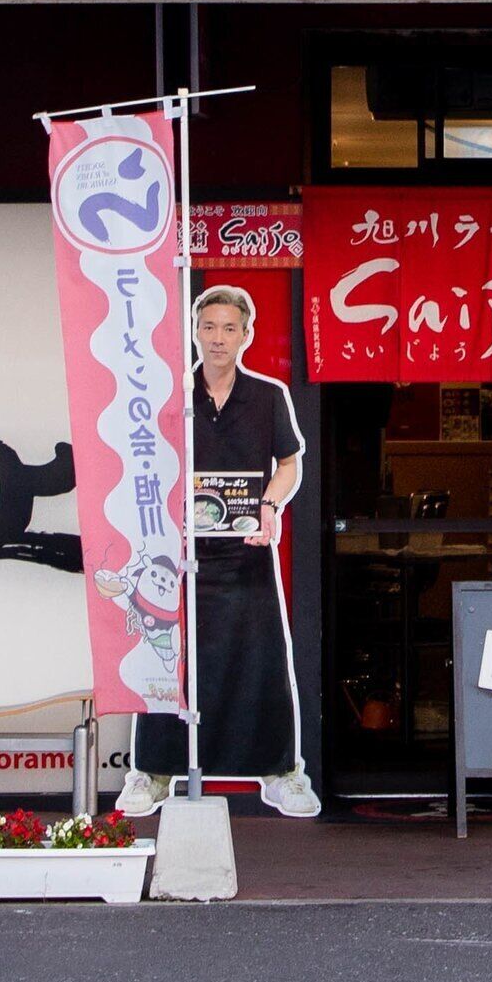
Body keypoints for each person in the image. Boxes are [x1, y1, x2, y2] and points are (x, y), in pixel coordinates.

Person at [118, 282, 321, 818]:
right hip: (176, 556)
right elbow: (145, 465)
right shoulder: (168, 395)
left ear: (247, 335)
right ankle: (153, 771)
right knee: (168, 663)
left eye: (229, 328)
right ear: (194, 333)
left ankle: (279, 773)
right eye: (208, 327)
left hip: (246, 550)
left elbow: (289, 463)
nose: (217, 338)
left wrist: (271, 507)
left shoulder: (268, 395)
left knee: (262, 662)